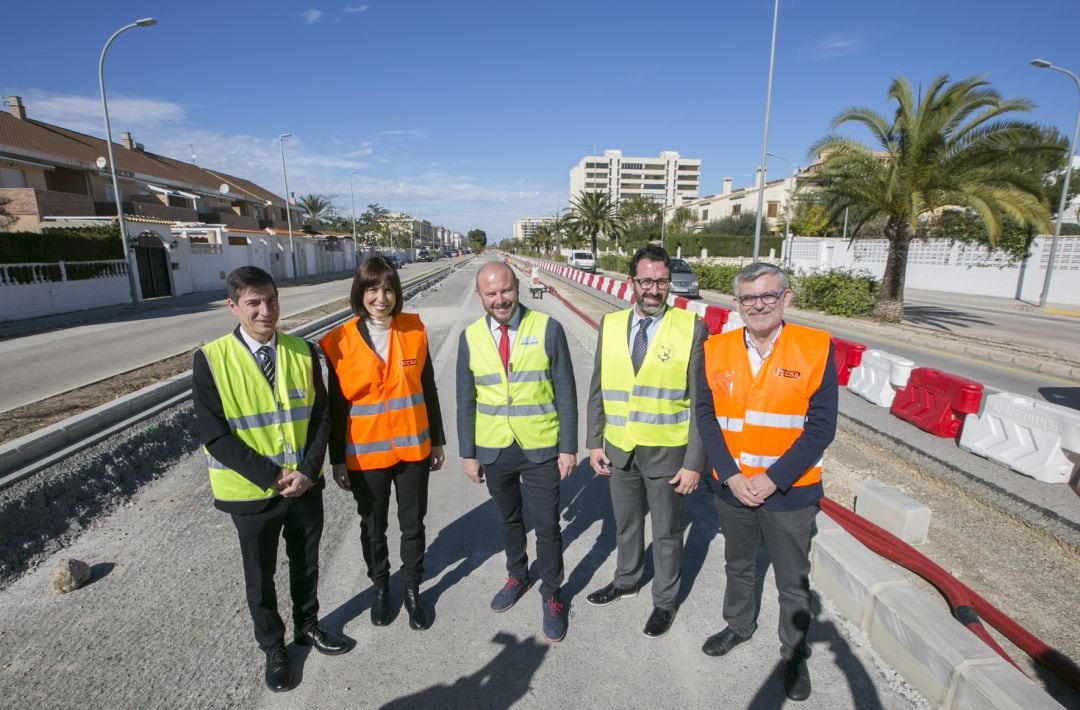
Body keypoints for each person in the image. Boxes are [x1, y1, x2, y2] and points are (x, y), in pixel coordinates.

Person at [193, 266, 350, 694]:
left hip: (303, 484)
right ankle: (273, 647)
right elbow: (215, 434)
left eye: (272, 300)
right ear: (233, 306)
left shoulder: (303, 350)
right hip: (251, 492)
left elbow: (321, 415)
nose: (266, 311)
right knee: (260, 576)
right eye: (254, 303)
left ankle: (307, 627)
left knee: (306, 563)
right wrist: (274, 475)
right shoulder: (211, 359)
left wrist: (308, 470)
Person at [695, 262, 838, 702]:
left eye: (768, 296)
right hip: (733, 489)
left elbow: (821, 427)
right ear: (736, 303)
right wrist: (733, 475)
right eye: (749, 298)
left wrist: (773, 480)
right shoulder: (716, 349)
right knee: (738, 565)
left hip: (790, 493)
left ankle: (793, 654)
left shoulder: (815, 348)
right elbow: (706, 417)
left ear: (786, 298)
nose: (758, 305)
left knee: (793, 579)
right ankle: (738, 625)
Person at [585, 244, 708, 638]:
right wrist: (594, 441)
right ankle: (626, 580)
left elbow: (702, 403)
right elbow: (599, 388)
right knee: (626, 525)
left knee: (668, 533)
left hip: (667, 453)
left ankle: (665, 601)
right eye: (646, 281)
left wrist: (694, 462)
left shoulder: (691, 328)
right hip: (620, 449)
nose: (654, 289)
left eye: (662, 281)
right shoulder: (611, 324)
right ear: (631, 282)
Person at [319, 255, 446, 631]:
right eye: (373, 288)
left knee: (413, 524)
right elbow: (337, 405)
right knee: (373, 528)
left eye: (388, 288)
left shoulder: (413, 330)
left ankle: (411, 589)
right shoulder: (339, 341)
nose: (381, 297)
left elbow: (428, 388)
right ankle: (380, 587)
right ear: (360, 292)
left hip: (413, 451)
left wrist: (436, 439)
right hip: (365, 453)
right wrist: (337, 459)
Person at [456, 260, 578, 643]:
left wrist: (568, 448)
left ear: (518, 287)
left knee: (546, 525)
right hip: (494, 447)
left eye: (506, 290)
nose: (500, 299)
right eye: (491, 293)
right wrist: (468, 453)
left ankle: (552, 592)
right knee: (509, 520)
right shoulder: (470, 336)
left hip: (541, 444)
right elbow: (465, 400)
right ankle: (517, 574)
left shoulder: (547, 328)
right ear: (480, 295)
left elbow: (566, 392)